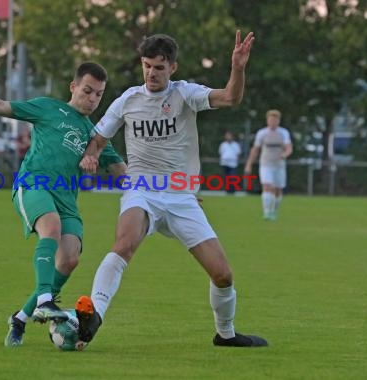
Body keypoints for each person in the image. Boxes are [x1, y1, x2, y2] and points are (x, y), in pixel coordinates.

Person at [76, 31, 267, 348]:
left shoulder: (185, 94)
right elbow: (98, 138)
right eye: (147, 66)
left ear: (173, 68)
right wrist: (91, 154)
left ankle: (226, 334)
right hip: (142, 190)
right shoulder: (128, 100)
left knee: (223, 276)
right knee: (124, 243)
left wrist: (238, 67)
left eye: (159, 67)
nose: (151, 73)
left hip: (181, 196)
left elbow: (231, 98)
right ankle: (94, 316)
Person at [0, 61, 127, 347]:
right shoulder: (47, 108)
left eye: (98, 95)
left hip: (67, 200)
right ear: (73, 86)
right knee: (50, 227)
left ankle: (20, 318)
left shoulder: (96, 136)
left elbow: (123, 173)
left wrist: (170, 192)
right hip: (34, 185)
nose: (92, 99)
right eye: (87, 91)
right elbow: (0, 106)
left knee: (69, 259)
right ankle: (44, 300)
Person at [244, 109, 292, 220]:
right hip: (266, 164)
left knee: (278, 189)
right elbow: (255, 150)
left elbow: (289, 147)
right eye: (270, 120)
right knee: (267, 186)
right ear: (267, 120)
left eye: (275, 120)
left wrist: (285, 154)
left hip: (279, 165)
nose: (272, 122)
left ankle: (274, 211)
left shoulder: (283, 132)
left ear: (278, 121)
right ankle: (267, 212)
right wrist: (249, 164)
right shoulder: (262, 133)